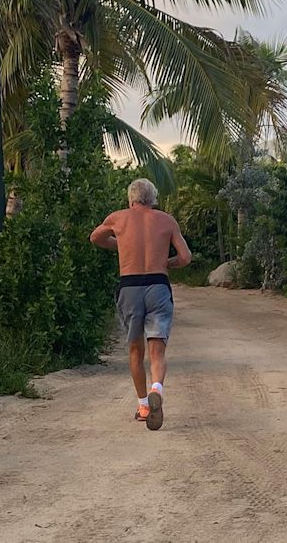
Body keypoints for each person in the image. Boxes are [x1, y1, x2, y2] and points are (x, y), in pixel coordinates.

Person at [90, 178, 192, 431]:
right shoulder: (167, 220)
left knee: (136, 351)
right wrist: (167, 263)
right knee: (157, 351)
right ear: (153, 198)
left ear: (130, 198)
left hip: (130, 286)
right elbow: (185, 257)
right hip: (157, 285)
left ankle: (144, 405)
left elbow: (95, 238)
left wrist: (120, 245)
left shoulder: (117, 218)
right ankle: (157, 388)